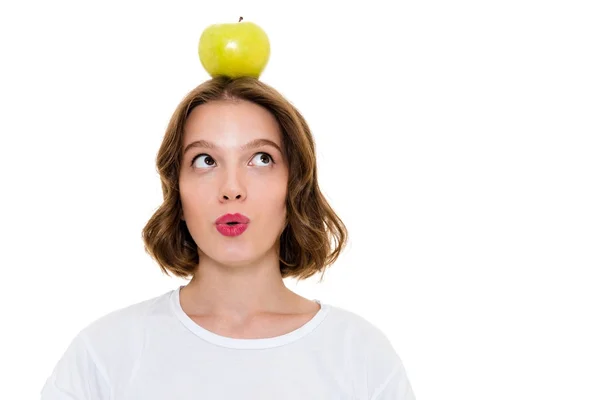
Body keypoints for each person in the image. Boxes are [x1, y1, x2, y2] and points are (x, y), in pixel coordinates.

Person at [40, 76, 416, 399]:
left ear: (294, 186)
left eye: (261, 159)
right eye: (205, 160)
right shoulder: (104, 354)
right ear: (178, 191)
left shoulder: (361, 356)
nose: (232, 188)